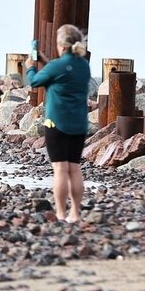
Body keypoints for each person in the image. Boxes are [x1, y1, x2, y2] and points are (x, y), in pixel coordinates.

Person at [25, 24, 90, 223]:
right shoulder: (84, 65)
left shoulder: (56, 67)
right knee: (74, 168)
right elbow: (61, 73)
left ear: (61, 45)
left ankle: (61, 213)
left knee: (61, 169)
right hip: (79, 123)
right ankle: (75, 213)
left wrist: (30, 66)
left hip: (57, 123)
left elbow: (35, 82)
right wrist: (46, 61)